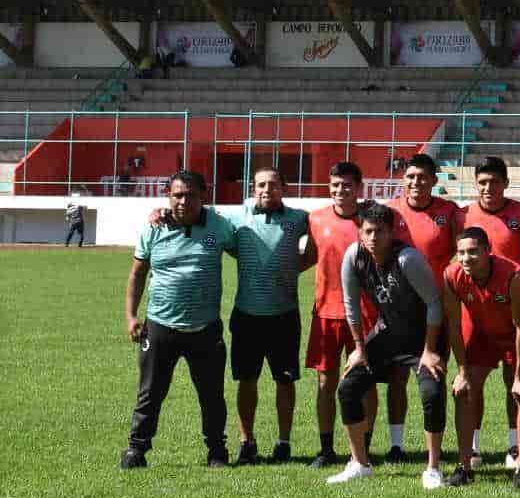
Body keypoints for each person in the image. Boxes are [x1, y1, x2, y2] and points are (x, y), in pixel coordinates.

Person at [121, 170, 238, 469]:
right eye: (177, 195)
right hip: (160, 326)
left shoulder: (220, 226)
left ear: (204, 196)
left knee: (212, 395)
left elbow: (244, 248)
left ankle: (216, 452)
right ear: (168, 196)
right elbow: (137, 274)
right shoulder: (153, 228)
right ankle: (137, 450)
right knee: (150, 393)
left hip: (205, 329)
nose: (183, 201)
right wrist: (131, 316)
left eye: (190, 195)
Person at [326, 204, 447, 487]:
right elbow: (351, 306)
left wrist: (429, 351)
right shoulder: (354, 257)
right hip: (388, 333)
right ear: (360, 232)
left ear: (391, 232)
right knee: (348, 388)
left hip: (423, 339)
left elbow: (434, 304)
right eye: (367, 231)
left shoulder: (407, 259)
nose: (373, 237)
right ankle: (360, 463)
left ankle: (433, 468)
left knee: (431, 392)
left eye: (380, 231)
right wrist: (359, 348)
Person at [225, 167, 314, 465]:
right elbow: (218, 237)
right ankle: (246, 441)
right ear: (253, 189)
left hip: (284, 316)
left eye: (273, 185)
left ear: (284, 188)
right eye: (261, 185)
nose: (267, 190)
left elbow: (314, 251)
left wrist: (291, 269)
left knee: (285, 381)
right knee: (246, 381)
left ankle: (284, 442)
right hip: (247, 316)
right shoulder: (237, 219)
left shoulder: (299, 219)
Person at [455, 156, 520, 469]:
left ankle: (515, 446)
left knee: (513, 381)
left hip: (513, 312)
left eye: (494, 182)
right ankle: (473, 448)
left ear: (505, 183)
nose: (488, 188)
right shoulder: (462, 216)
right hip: (476, 314)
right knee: (472, 381)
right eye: (483, 182)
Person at [440, 227, 520, 488]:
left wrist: (519, 376)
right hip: (481, 335)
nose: (466, 258)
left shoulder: (512, 276)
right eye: (461, 252)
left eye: (472, 252)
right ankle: (464, 466)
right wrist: (461, 372)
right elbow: (454, 326)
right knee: (464, 390)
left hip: (513, 335)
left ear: (487, 251)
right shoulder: (451, 275)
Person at [385, 153, 459, 464]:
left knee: (434, 380)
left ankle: (437, 450)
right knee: (396, 378)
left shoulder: (450, 212)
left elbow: (462, 253)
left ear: (434, 180)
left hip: (435, 311)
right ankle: (397, 444)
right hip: (396, 312)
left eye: (423, 177)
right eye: (412, 177)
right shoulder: (389, 212)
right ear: (404, 179)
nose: (417, 182)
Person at [306, 161, 372, 468]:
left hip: (366, 315)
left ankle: (364, 448)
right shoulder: (315, 219)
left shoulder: (372, 220)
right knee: (325, 383)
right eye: (334, 185)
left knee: (365, 383)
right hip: (326, 314)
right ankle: (326, 448)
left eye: (346, 185)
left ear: (358, 188)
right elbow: (308, 257)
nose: (340, 191)